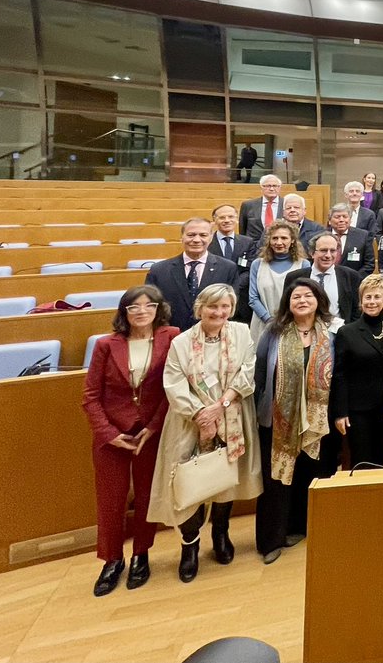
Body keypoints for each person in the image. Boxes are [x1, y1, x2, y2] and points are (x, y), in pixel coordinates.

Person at [148, 284, 261, 582]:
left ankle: (221, 533)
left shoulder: (241, 333)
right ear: (200, 309)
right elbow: (173, 382)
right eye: (213, 307)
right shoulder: (181, 342)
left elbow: (247, 372)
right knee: (189, 481)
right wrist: (201, 414)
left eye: (225, 306)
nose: (219, 312)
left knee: (224, 478)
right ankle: (190, 545)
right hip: (188, 422)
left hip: (232, 416)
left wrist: (220, 406)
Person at [83, 285, 179, 596]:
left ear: (158, 308)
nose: (141, 312)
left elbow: (172, 388)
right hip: (112, 434)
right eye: (133, 307)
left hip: (150, 432)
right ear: (124, 312)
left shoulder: (171, 337)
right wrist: (110, 435)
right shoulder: (106, 345)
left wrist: (152, 427)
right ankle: (112, 559)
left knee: (148, 497)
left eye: (147, 306)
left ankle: (141, 554)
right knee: (111, 500)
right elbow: (91, 397)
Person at [254, 278, 336, 563]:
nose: (302, 300)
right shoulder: (273, 333)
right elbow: (260, 374)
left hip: (316, 421)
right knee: (276, 478)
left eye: (308, 295)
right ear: (288, 303)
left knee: (308, 474)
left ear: (318, 300)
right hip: (278, 419)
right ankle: (272, 539)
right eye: (296, 297)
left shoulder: (331, 332)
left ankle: (300, 528)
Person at [330, 273, 383, 467]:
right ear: (360, 301)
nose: (372, 302)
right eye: (367, 297)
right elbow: (340, 376)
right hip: (358, 411)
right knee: (362, 461)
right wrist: (340, 413)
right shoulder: (347, 332)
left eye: (377, 297)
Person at [146, 217, 241, 331]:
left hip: (213, 336)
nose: (196, 240)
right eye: (191, 235)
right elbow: (151, 306)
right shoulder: (159, 270)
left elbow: (230, 306)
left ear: (211, 238)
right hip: (172, 337)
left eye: (203, 235)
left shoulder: (227, 268)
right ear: (182, 237)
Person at [248, 221, 308, 342]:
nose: (279, 242)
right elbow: (253, 298)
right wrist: (269, 320)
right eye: (274, 238)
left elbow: (304, 297)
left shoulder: (303, 265)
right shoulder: (258, 264)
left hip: (293, 324)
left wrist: (285, 321)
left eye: (284, 238)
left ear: (292, 241)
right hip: (262, 324)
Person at [282, 231, 361, 324]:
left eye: (332, 251)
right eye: (323, 250)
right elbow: (287, 308)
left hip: (339, 334)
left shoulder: (351, 276)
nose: (328, 255)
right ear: (312, 253)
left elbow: (357, 310)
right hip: (304, 332)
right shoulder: (294, 277)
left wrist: (347, 332)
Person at [327, 203, 376, 275]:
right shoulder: (322, 236)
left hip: (354, 282)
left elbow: (369, 265)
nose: (341, 220)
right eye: (337, 217)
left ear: (350, 220)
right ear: (330, 221)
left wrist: (354, 279)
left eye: (345, 216)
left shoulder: (363, 236)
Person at [240, 175, 284, 239]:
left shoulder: (286, 204)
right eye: (268, 186)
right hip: (254, 247)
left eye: (275, 186)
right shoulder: (248, 205)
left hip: (280, 245)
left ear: (279, 188)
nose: (271, 189)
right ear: (261, 187)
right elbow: (242, 230)